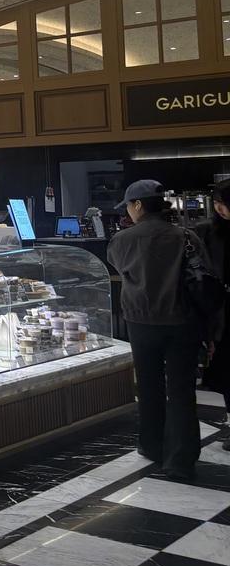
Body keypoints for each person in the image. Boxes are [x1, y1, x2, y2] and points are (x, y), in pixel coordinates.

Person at [109, 179, 212, 479]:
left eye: (129, 205)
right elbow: (204, 276)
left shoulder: (121, 240)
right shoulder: (186, 236)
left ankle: (152, 445)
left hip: (140, 323)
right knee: (181, 390)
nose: (128, 211)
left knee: (148, 385)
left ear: (138, 205)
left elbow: (118, 266)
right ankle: (180, 461)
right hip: (181, 322)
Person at [195, 181, 230, 449]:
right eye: (216, 203)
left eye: (224, 203)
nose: (219, 208)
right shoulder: (207, 231)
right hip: (221, 311)